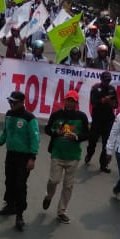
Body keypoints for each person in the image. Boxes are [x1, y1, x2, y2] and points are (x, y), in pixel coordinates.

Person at [0, 91, 39, 231]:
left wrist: (32, 158)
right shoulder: (9, 115)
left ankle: (19, 215)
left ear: (22, 103)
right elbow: (5, 133)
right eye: (10, 101)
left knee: (20, 185)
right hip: (11, 155)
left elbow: (35, 139)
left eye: (14, 102)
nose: (11, 104)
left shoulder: (29, 118)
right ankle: (9, 206)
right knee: (9, 181)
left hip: (24, 157)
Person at [42, 90, 89, 223]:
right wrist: (56, 132)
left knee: (68, 186)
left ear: (76, 103)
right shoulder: (56, 115)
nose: (70, 103)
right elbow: (47, 129)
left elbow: (87, 134)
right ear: (64, 100)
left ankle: (61, 211)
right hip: (57, 153)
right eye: (68, 100)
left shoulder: (82, 116)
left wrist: (77, 137)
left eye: (72, 101)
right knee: (53, 181)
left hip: (73, 156)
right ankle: (49, 196)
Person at [84, 71, 118, 172]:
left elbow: (116, 104)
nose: (107, 82)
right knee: (92, 141)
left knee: (106, 143)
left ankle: (103, 165)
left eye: (109, 80)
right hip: (97, 119)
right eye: (105, 80)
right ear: (101, 80)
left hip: (108, 120)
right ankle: (89, 154)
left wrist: (111, 102)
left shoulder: (112, 89)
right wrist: (102, 100)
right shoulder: (95, 89)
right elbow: (93, 103)